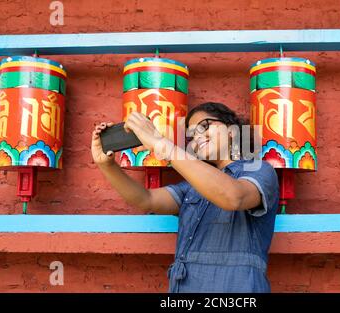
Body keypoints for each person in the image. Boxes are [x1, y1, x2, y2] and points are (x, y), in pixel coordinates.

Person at [91, 102, 279, 292]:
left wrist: (161, 144)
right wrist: (107, 166)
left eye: (205, 126)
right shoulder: (192, 187)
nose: (197, 137)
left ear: (232, 131)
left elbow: (233, 197)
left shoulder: (260, 171)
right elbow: (145, 199)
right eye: (192, 135)